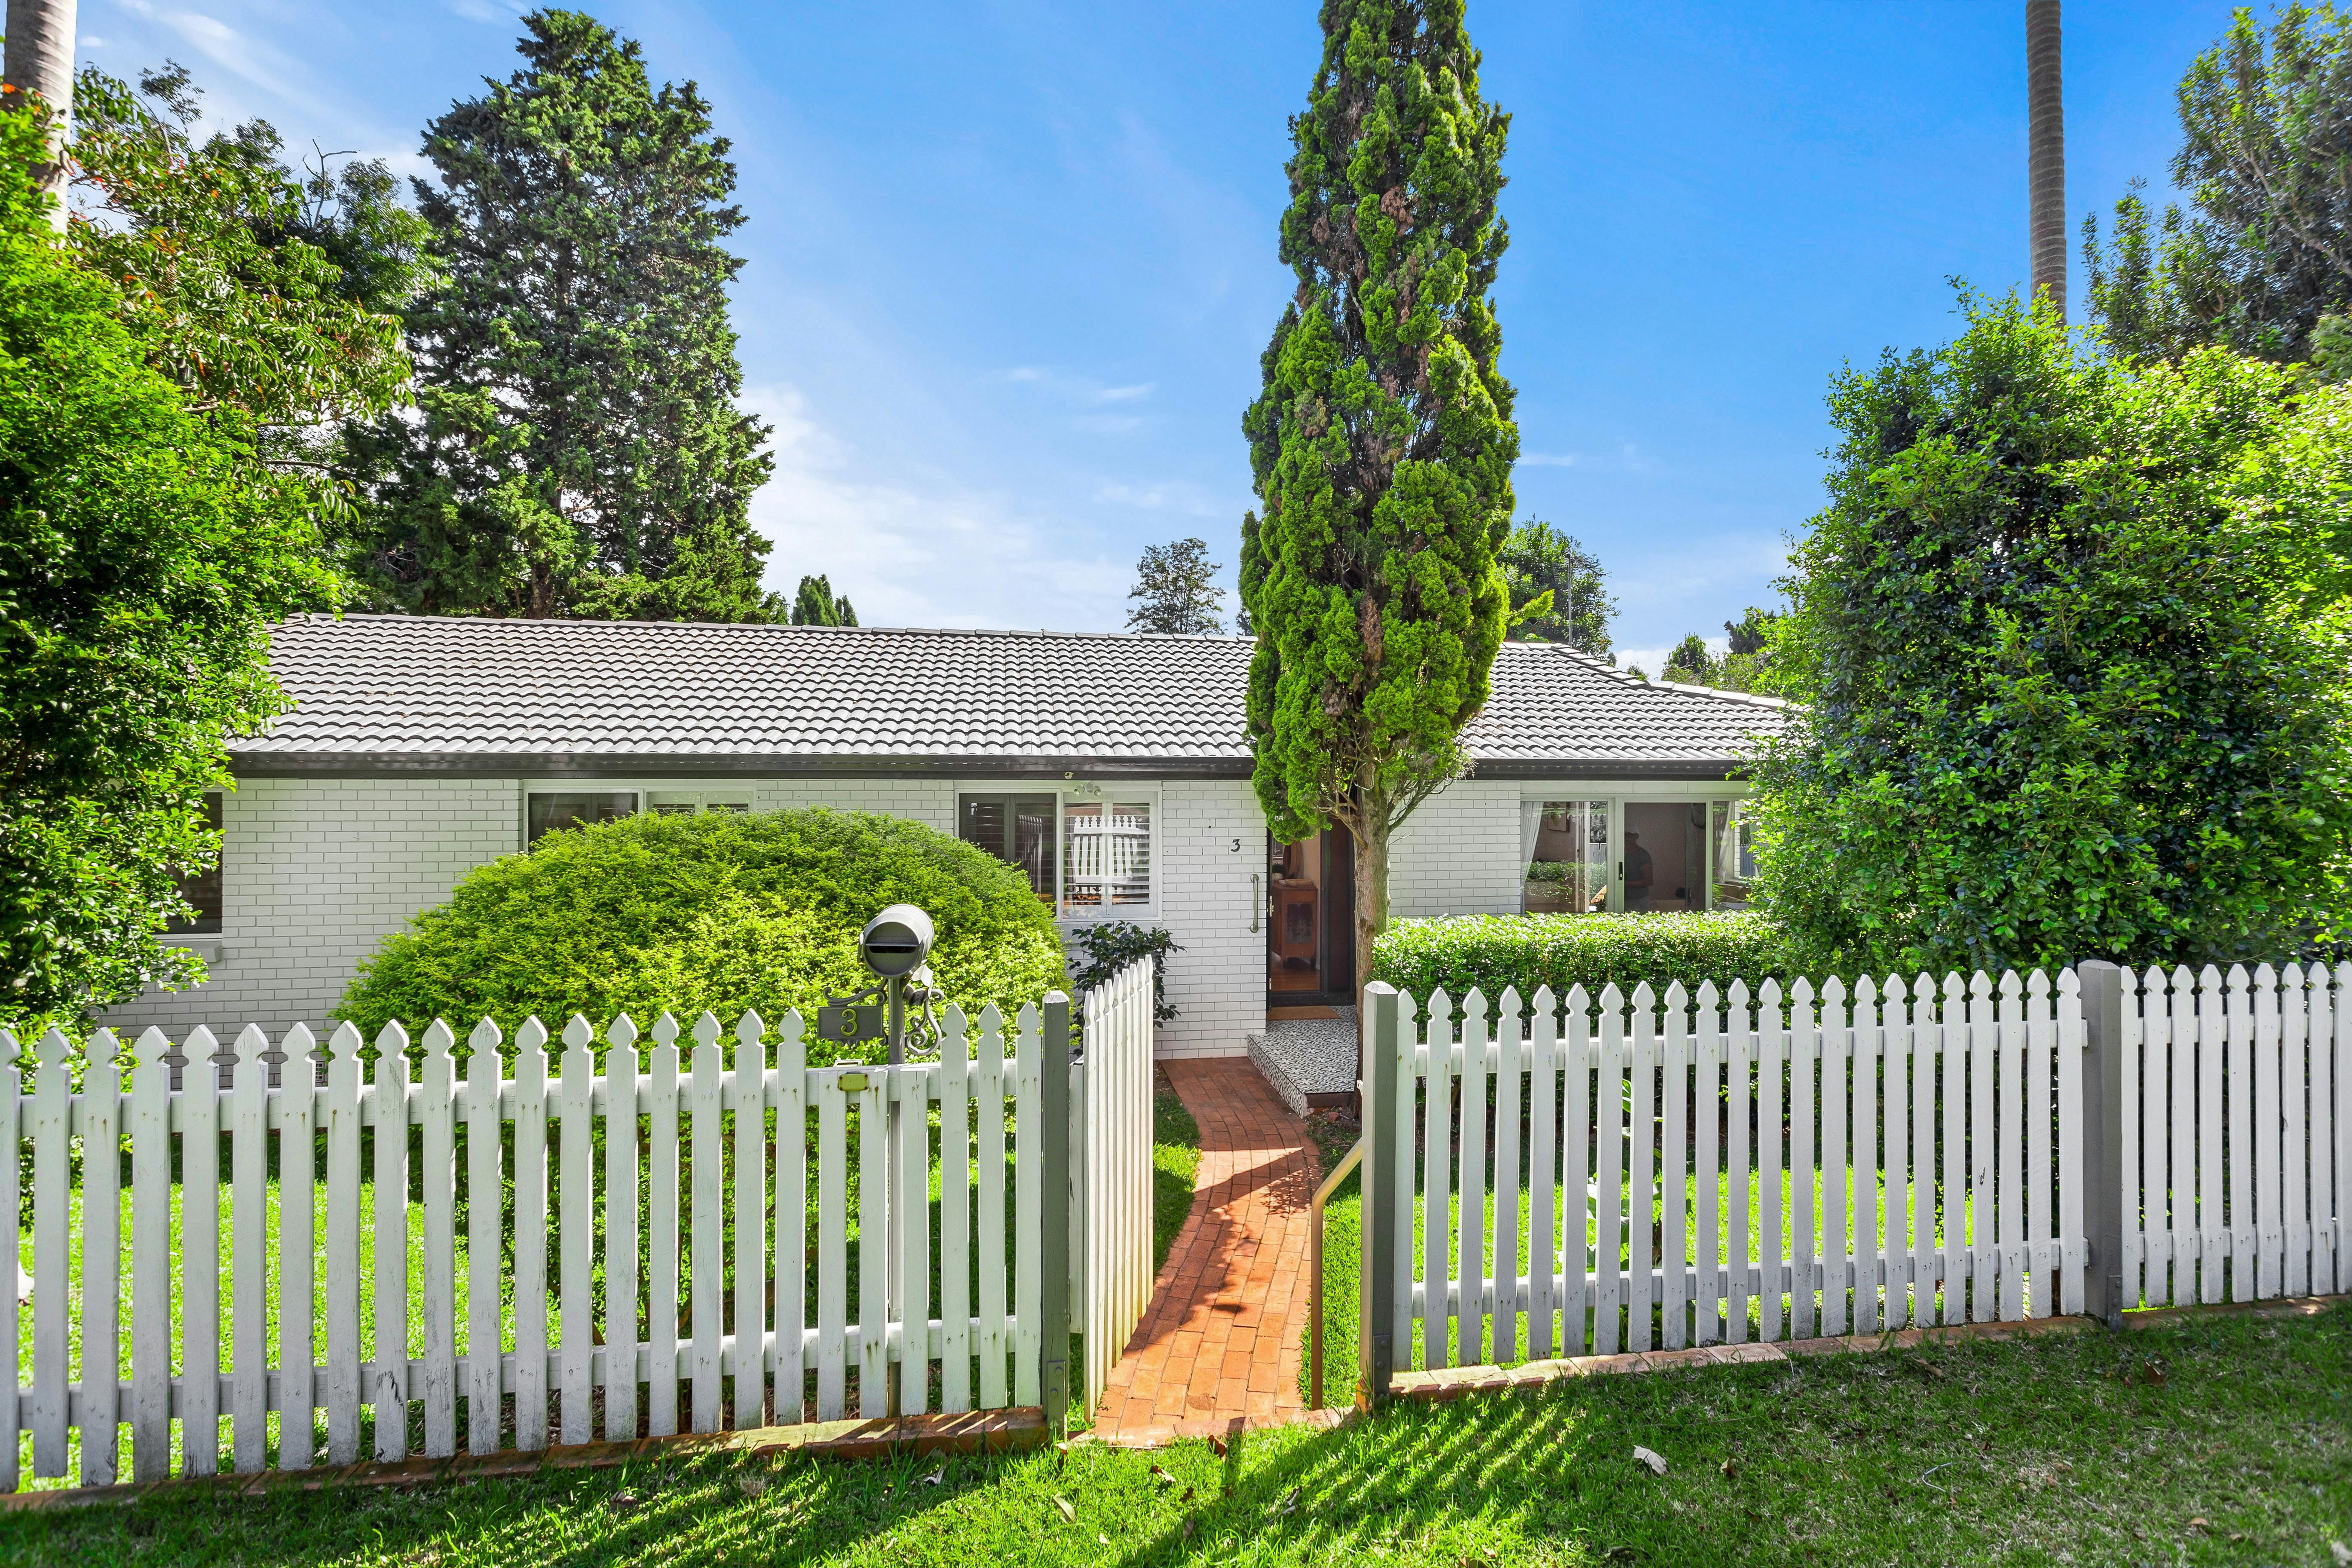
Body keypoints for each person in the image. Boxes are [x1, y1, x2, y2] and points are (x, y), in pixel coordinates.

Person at [1623, 830, 1654, 911]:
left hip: (1638, 900)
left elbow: (1649, 881)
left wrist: (1624, 884)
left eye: (1630, 835)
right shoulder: (1617, 853)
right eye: (1625, 835)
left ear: (1636, 837)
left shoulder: (1643, 855)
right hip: (1621, 900)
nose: (1627, 838)